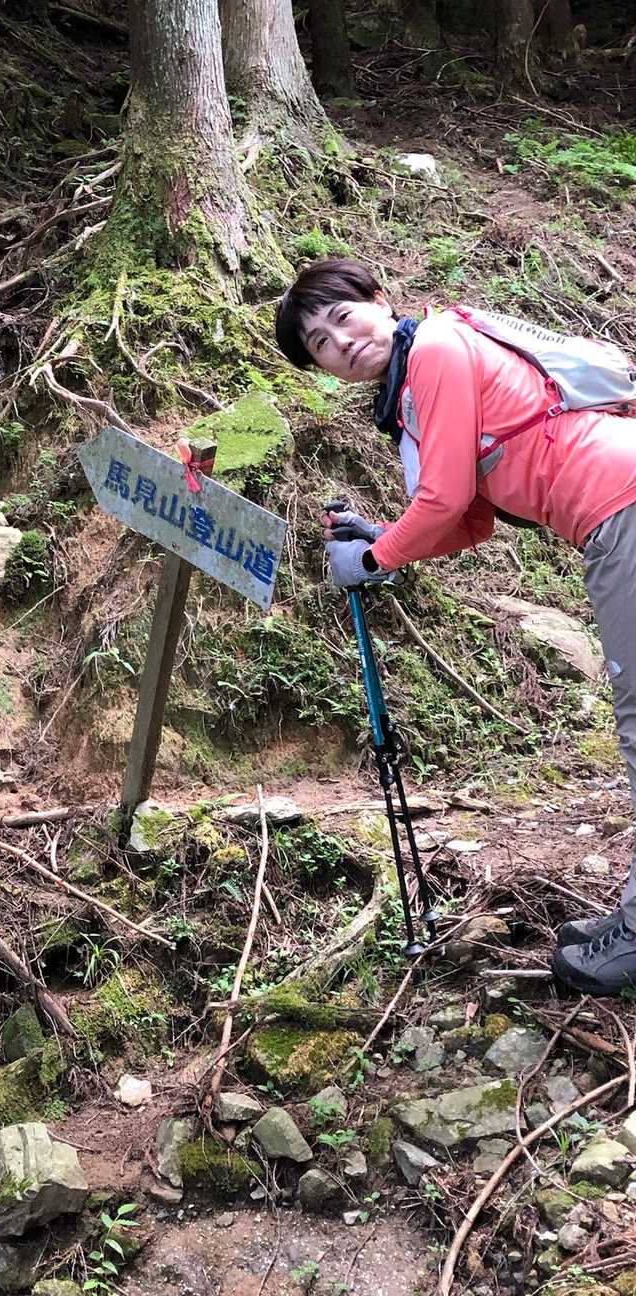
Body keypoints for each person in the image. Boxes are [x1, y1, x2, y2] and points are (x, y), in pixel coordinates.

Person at [274, 257, 636, 997]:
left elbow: (441, 501)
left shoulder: (435, 349)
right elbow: (468, 521)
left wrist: (372, 558)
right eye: (320, 343)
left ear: (380, 300)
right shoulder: (412, 391)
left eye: (342, 317)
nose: (340, 342)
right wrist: (385, 537)